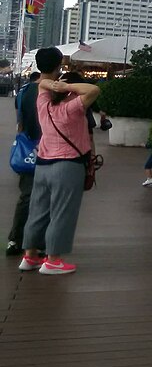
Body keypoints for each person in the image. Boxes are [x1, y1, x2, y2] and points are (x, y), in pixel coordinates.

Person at [19, 48, 100, 275]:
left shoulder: (43, 103)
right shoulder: (73, 107)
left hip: (43, 164)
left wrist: (55, 84)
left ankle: (30, 256)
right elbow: (94, 89)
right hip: (68, 166)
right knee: (62, 213)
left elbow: (42, 84)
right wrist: (67, 86)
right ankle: (53, 260)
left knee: (38, 211)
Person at [6, 72, 41, 256]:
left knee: (26, 197)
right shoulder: (50, 91)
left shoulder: (23, 92)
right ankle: (40, 244)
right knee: (47, 199)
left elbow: (19, 122)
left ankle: (15, 240)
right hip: (49, 150)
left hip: (27, 149)